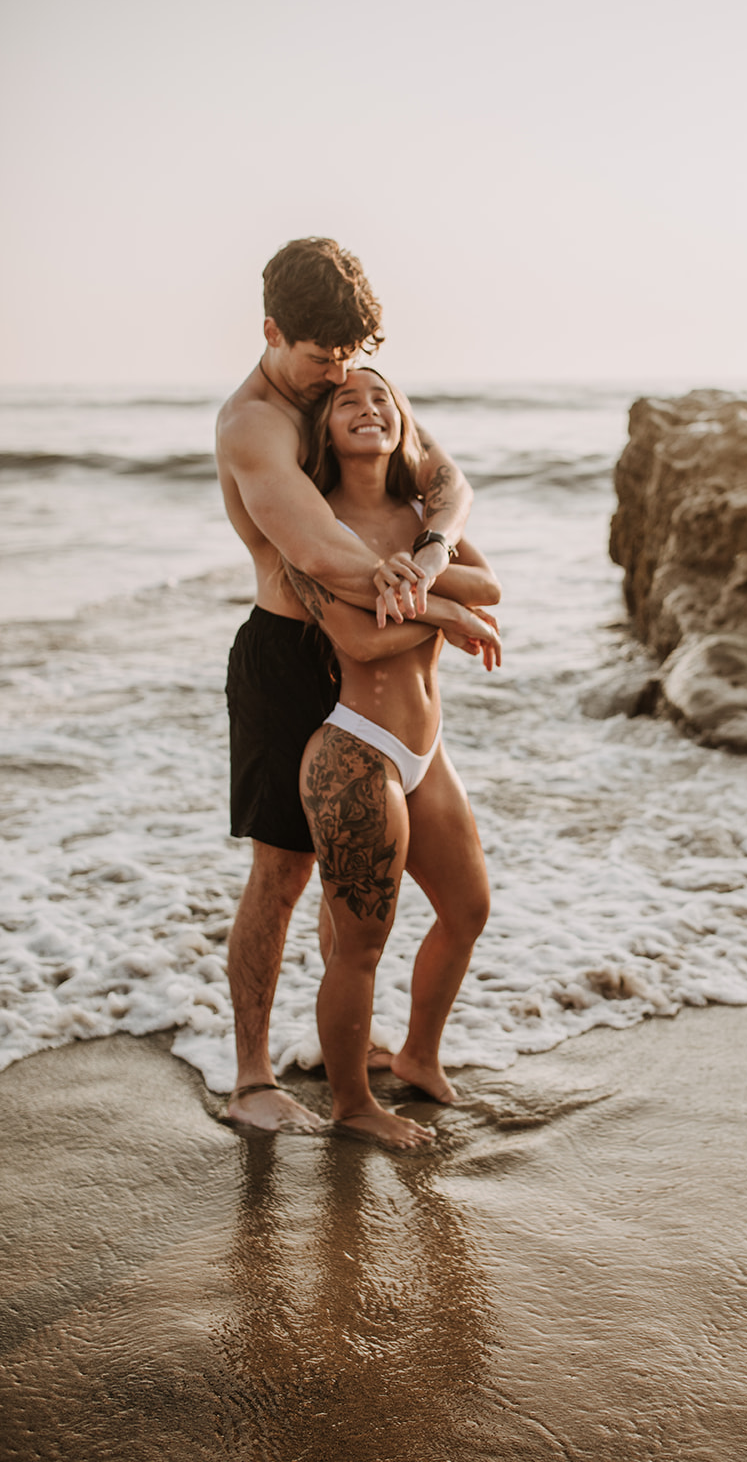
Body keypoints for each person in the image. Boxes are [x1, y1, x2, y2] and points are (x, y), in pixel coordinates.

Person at [216, 238, 473, 1133]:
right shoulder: (253, 424)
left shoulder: (346, 378)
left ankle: (342, 1044)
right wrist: (444, 607)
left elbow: (447, 482)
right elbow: (325, 554)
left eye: (352, 354)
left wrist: (431, 555)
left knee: (356, 877)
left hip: (379, 657)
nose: (339, 372)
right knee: (281, 874)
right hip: (292, 655)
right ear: (271, 330)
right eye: (320, 355)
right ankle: (252, 1073)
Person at [284, 366, 501, 1149]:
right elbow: (357, 637)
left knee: (468, 908)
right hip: (355, 752)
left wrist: (428, 571)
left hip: (424, 752)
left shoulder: (420, 513)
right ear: (326, 431)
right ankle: (350, 1105)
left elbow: (492, 585)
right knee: (361, 944)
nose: (368, 408)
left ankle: (415, 1055)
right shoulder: (311, 523)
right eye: (347, 400)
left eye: (382, 398)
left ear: (401, 421)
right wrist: (443, 611)